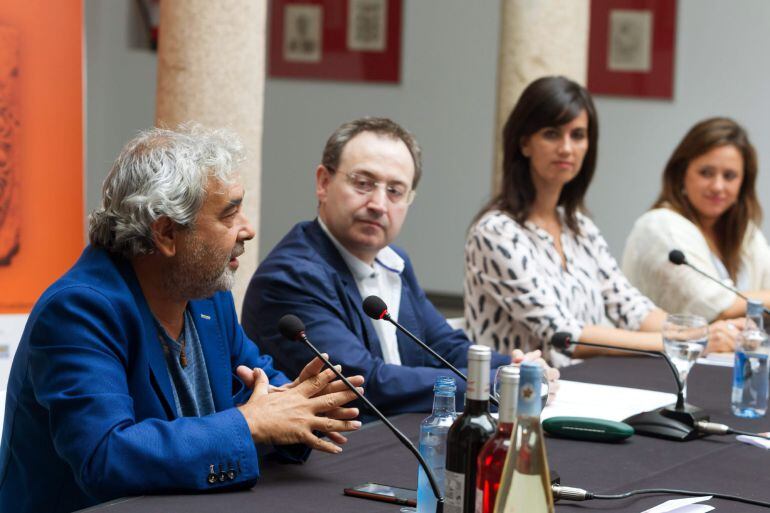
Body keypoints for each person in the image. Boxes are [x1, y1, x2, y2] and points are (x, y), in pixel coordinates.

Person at [0, 126, 364, 513]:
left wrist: (298, 409)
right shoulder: (79, 310)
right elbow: (104, 455)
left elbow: (254, 387)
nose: (248, 229)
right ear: (167, 234)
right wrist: (252, 424)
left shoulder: (208, 294)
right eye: (230, 214)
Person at [242, 117, 558, 416]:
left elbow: (442, 346)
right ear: (324, 182)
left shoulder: (394, 261)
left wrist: (514, 367)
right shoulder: (292, 276)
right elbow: (366, 382)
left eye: (395, 191)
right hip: (333, 455)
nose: (379, 204)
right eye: (363, 183)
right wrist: (495, 384)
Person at [464, 76, 738, 367]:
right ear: (524, 143)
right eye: (551, 134)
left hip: (586, 390)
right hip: (516, 401)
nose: (567, 148)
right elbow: (565, 336)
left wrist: (701, 333)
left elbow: (631, 307)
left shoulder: (579, 227)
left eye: (578, 135)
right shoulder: (495, 233)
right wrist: (690, 340)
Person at [623, 117, 770, 321]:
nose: (718, 186)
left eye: (729, 176)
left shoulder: (746, 233)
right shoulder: (660, 226)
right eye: (706, 173)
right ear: (682, 173)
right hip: (661, 353)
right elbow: (713, 308)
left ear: (743, 183)